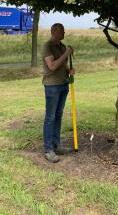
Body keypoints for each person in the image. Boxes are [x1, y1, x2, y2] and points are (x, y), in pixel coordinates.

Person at [42, 23, 75, 163]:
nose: (64, 33)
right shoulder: (47, 46)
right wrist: (66, 53)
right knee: (50, 117)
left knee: (58, 116)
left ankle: (57, 145)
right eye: (61, 31)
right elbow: (53, 66)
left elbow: (62, 64)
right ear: (53, 31)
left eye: (64, 31)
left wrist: (69, 70)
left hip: (63, 84)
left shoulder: (62, 46)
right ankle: (48, 149)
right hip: (52, 86)